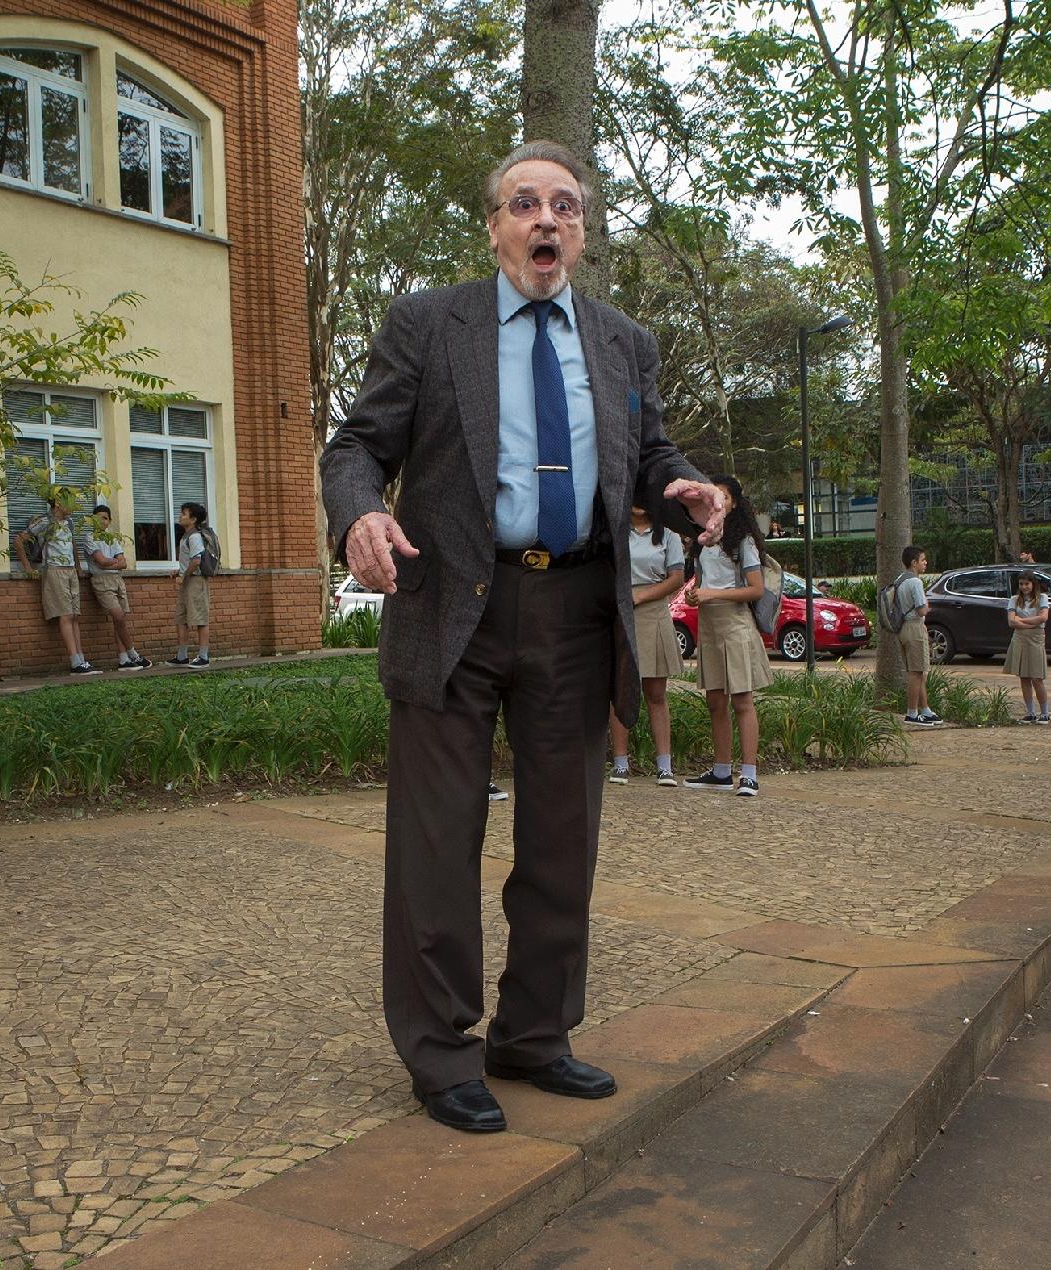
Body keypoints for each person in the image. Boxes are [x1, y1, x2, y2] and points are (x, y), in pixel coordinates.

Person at [319, 139, 728, 1135]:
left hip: (578, 612)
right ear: (496, 226)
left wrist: (679, 486)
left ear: (582, 233)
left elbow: (648, 452)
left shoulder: (624, 341)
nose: (547, 220)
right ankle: (441, 1048)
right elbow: (359, 445)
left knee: (561, 839)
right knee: (437, 838)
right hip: (452, 602)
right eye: (525, 204)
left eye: (567, 207)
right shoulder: (429, 323)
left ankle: (535, 1034)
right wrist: (358, 514)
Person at [682, 478, 769, 796]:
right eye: (714, 494)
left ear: (733, 503)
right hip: (709, 625)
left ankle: (749, 774)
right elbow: (701, 586)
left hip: (735, 624)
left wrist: (709, 593)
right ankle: (721, 771)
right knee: (715, 701)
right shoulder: (702, 538)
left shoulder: (742, 539)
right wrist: (695, 595)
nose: (718, 500)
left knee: (743, 700)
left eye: (726, 495)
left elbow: (756, 588)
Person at [609, 504, 687, 787]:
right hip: (622, 615)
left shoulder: (668, 535)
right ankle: (620, 764)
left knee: (656, 693)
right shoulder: (616, 532)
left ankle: (664, 765)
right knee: (621, 689)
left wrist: (641, 597)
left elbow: (676, 579)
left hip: (654, 613)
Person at [15, 492, 99, 675]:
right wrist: (28, 568)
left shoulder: (69, 522)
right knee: (66, 615)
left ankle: (82, 659)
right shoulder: (45, 522)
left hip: (70, 572)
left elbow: (72, 546)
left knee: (75, 615)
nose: (73, 506)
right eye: (70, 502)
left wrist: (78, 567)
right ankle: (75, 662)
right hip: (54, 570)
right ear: (59, 503)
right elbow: (19, 540)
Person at [81, 504, 147, 670]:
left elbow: (123, 563)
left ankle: (123, 659)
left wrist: (109, 563)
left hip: (117, 580)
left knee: (121, 619)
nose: (101, 521)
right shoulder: (89, 538)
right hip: (101, 581)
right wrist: (113, 562)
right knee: (118, 616)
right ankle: (133, 654)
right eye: (97, 517)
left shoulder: (113, 538)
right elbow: (101, 561)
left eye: (104, 518)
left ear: (109, 521)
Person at [896, 546, 940, 725]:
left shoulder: (900, 579)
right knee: (917, 672)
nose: (925, 563)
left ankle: (925, 709)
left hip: (902, 628)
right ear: (914, 563)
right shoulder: (915, 582)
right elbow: (921, 610)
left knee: (919, 671)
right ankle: (912, 713)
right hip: (914, 627)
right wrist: (929, 607)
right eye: (923, 560)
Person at [168, 502, 212, 667]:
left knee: (200, 619)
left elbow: (196, 561)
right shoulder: (186, 536)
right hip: (187, 580)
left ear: (193, 519)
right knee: (181, 618)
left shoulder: (194, 537)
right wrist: (178, 571)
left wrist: (183, 575)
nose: (180, 516)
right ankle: (182, 656)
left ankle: (203, 657)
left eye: (184, 514)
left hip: (195, 582)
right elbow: (189, 561)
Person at [1004, 572, 1051, 724]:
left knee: (1037, 677)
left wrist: (1022, 620)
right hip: (1019, 638)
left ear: (1033, 584)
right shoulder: (1014, 599)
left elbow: (1043, 618)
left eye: (1027, 584)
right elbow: (1011, 622)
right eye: (1021, 584)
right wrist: (1031, 621)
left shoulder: (1042, 598)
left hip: (1036, 638)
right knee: (1023, 676)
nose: (1024, 587)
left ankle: (1045, 713)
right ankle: (1030, 712)